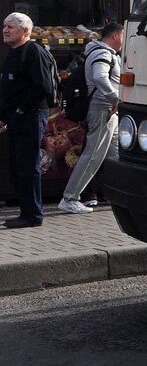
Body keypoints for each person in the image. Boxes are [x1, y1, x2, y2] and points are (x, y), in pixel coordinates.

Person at [58, 23, 124, 214]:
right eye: (123, 35)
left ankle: (120, 195)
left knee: (115, 155)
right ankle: (70, 197)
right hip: (103, 109)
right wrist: (115, 99)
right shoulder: (103, 53)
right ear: (115, 36)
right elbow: (100, 77)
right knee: (93, 155)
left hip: (108, 110)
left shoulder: (103, 53)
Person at [1, 12, 56, 228]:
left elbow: (43, 87)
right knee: (17, 167)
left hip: (30, 117)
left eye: (10, 27)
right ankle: (26, 212)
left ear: (25, 31)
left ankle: (33, 215)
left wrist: (21, 109)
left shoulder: (33, 51)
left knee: (27, 166)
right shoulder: (12, 53)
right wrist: (4, 116)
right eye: (4, 26)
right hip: (15, 119)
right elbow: (10, 90)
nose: (5, 30)